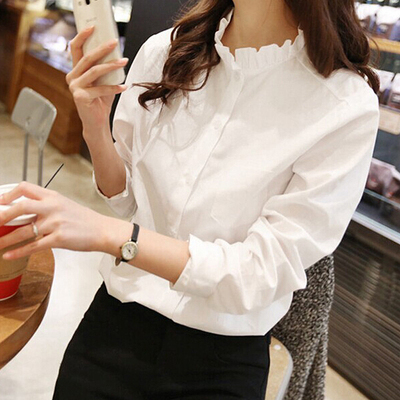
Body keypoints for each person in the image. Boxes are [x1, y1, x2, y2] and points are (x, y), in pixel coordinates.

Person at [0, 0, 379, 399]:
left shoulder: (343, 105)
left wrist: (114, 236)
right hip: (112, 328)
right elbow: (126, 199)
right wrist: (95, 127)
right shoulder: (166, 52)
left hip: (220, 364)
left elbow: (258, 273)